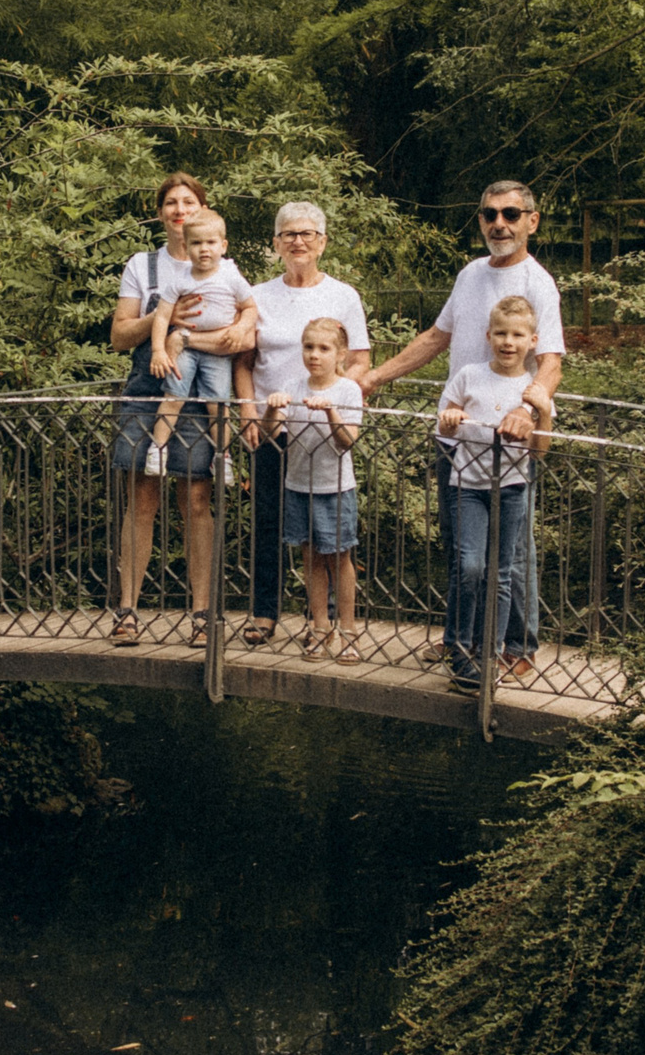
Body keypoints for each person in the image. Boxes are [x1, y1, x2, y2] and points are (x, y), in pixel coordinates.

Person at [350, 179, 565, 659]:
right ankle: (460, 641)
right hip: (457, 436)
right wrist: (371, 379)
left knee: (512, 554)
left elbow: (551, 362)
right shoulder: (470, 275)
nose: (499, 224)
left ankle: (517, 646)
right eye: (490, 214)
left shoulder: (537, 283)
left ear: (531, 221)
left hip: (509, 442)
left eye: (510, 214)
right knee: (462, 551)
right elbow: (435, 337)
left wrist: (527, 411)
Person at [109, 174, 256, 647]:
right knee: (142, 497)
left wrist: (237, 322)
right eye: (170, 202)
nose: (179, 209)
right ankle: (127, 609)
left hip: (203, 393)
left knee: (196, 501)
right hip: (149, 387)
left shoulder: (223, 267)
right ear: (160, 213)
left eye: (188, 201)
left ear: (203, 211)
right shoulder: (143, 266)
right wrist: (164, 318)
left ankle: (202, 614)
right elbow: (119, 335)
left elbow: (244, 330)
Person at [233, 201, 372, 646]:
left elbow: (361, 360)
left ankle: (333, 623)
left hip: (323, 431)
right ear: (275, 243)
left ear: (323, 242)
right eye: (289, 234)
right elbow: (245, 360)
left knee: (329, 533)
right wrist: (249, 410)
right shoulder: (259, 295)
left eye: (308, 233)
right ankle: (265, 613)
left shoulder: (343, 295)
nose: (298, 241)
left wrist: (330, 399)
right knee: (269, 521)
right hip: (272, 424)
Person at [436, 295, 553, 692]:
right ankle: (459, 647)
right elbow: (444, 427)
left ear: (533, 340)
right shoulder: (469, 375)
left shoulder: (532, 387)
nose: (508, 342)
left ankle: (489, 653)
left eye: (518, 335)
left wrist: (543, 413)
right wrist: (450, 419)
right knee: (468, 566)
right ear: (488, 336)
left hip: (512, 489)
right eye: (501, 333)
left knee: (501, 574)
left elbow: (539, 452)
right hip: (467, 486)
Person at [263, 317, 366, 661]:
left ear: (340, 354)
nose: (314, 355)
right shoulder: (292, 384)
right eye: (309, 347)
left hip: (334, 488)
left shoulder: (348, 389)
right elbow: (269, 433)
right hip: (298, 485)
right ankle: (320, 626)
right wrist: (271, 407)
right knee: (310, 558)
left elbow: (348, 440)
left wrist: (331, 411)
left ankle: (348, 630)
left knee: (339, 558)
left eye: (323, 348)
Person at [140, 211, 256, 478]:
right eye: (196, 243)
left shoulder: (231, 276)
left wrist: (240, 327)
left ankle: (222, 455)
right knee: (174, 397)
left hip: (217, 350)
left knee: (218, 403)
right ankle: (158, 449)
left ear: (223, 246)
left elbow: (250, 307)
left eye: (211, 243)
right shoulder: (181, 278)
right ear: (187, 246)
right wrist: (158, 349)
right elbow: (162, 315)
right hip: (184, 348)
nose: (204, 249)